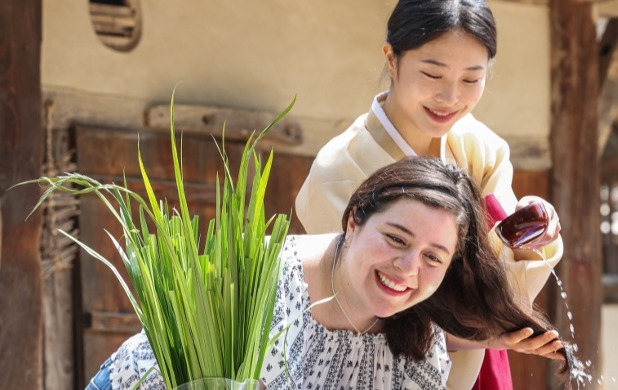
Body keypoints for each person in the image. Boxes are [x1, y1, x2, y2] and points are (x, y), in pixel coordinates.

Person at [86, 157, 569, 390]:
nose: (407, 268)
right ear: (355, 218)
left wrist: (487, 336)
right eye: (397, 239)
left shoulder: (420, 343)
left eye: (432, 257)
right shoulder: (261, 286)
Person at [294, 0, 564, 389]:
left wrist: (530, 237)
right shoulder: (339, 174)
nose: (450, 97)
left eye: (472, 79)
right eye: (432, 74)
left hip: (477, 370)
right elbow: (364, 311)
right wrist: (484, 328)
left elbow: (508, 288)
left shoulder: (481, 149)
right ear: (392, 59)